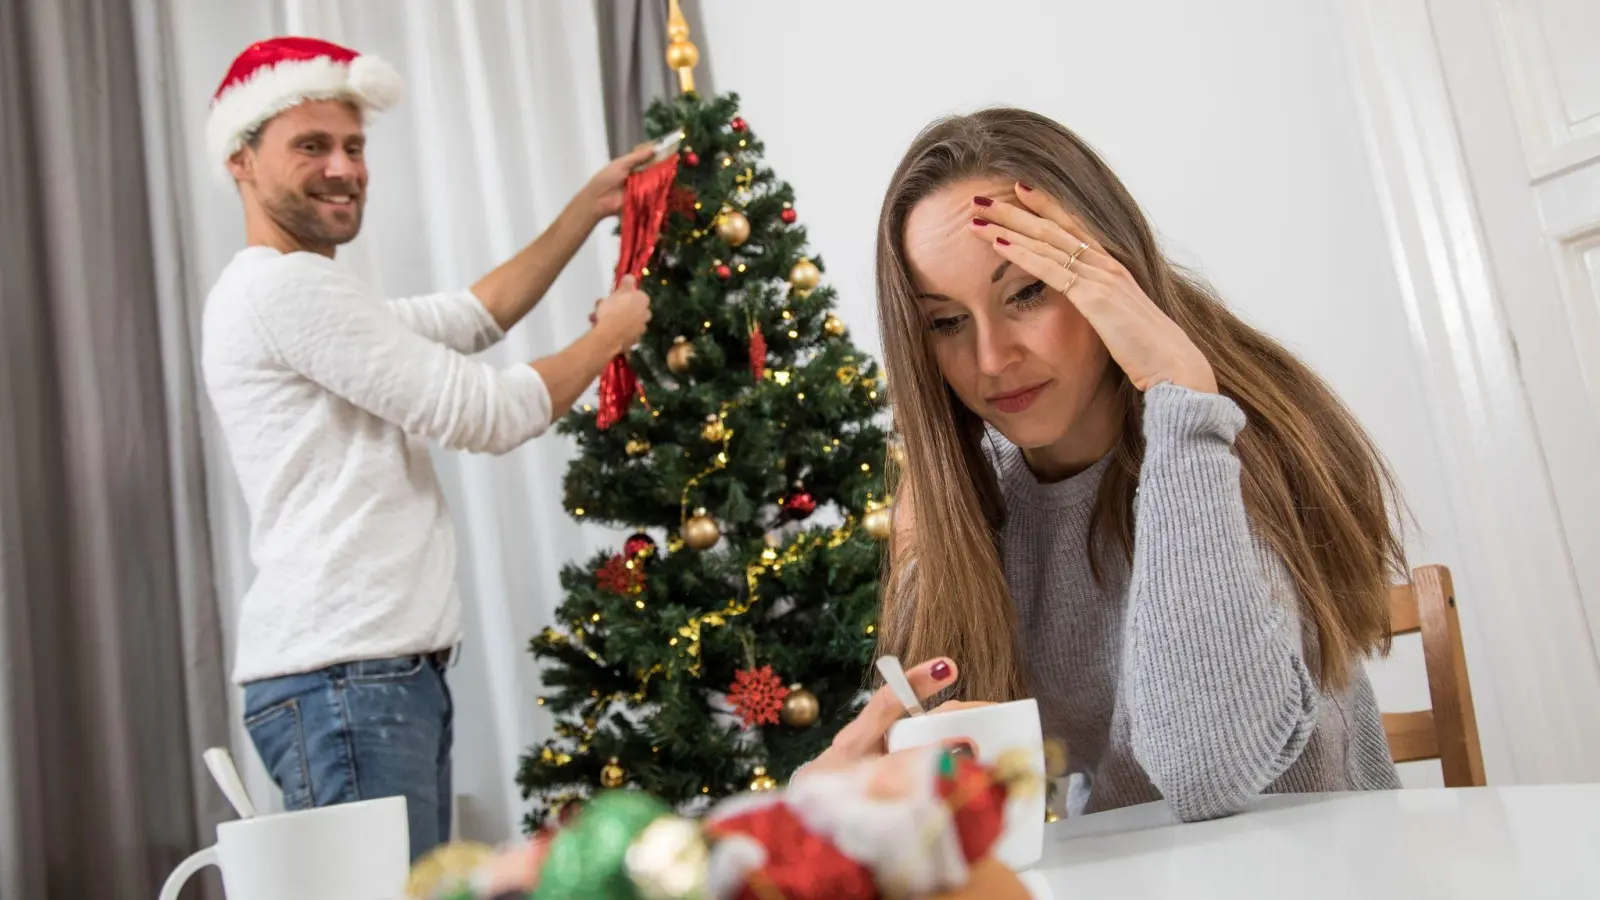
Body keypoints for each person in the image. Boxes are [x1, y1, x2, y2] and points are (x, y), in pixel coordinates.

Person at [811, 107, 1405, 823]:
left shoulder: (1228, 449)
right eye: (946, 322)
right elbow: (983, 808)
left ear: (1108, 272)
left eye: (1027, 290)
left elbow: (1205, 772)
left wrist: (1182, 407)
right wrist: (846, 799)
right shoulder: (975, 507)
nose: (993, 359)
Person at [199, 36, 652, 858]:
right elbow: (483, 411)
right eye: (311, 146)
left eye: (355, 145)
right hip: (347, 681)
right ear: (240, 159)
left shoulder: (303, 291)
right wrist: (608, 340)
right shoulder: (284, 288)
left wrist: (587, 207)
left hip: (367, 679)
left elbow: (475, 315)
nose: (344, 167)